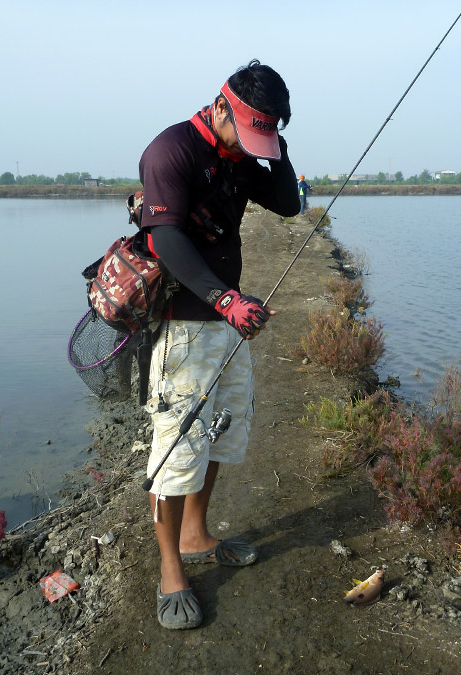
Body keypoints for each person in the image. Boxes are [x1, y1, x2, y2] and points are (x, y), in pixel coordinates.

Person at [137, 59, 300, 630]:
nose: (251, 144)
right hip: (183, 324)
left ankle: (196, 534)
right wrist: (226, 300)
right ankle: (169, 570)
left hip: (225, 326)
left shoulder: (242, 155)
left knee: (222, 433)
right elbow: (165, 239)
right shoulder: (171, 151)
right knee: (174, 450)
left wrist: (273, 145)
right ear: (221, 106)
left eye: (267, 133)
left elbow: (289, 204)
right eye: (250, 129)